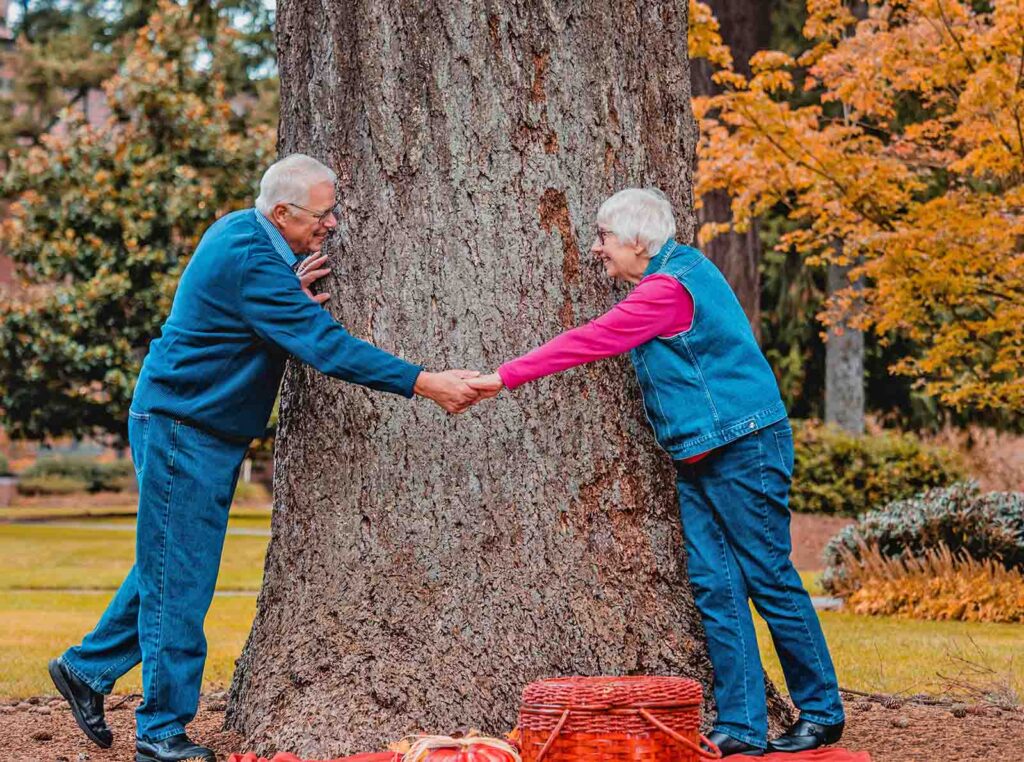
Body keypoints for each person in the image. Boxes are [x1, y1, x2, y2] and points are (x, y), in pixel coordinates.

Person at [48, 154, 481, 762]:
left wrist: (285, 292)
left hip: (196, 426)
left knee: (170, 564)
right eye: (322, 214)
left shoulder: (243, 235)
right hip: (183, 430)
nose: (332, 223)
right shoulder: (255, 259)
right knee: (182, 584)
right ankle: (161, 733)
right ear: (281, 212)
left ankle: (86, 669)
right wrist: (426, 382)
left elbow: (250, 307)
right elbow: (328, 347)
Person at [468, 188, 845, 756]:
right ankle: (742, 725)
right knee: (716, 585)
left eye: (604, 237)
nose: (597, 248)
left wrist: (504, 376)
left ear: (638, 240)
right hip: (700, 453)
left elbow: (592, 340)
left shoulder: (667, 288)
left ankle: (821, 712)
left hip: (743, 447)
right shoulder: (676, 271)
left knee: (768, 575)